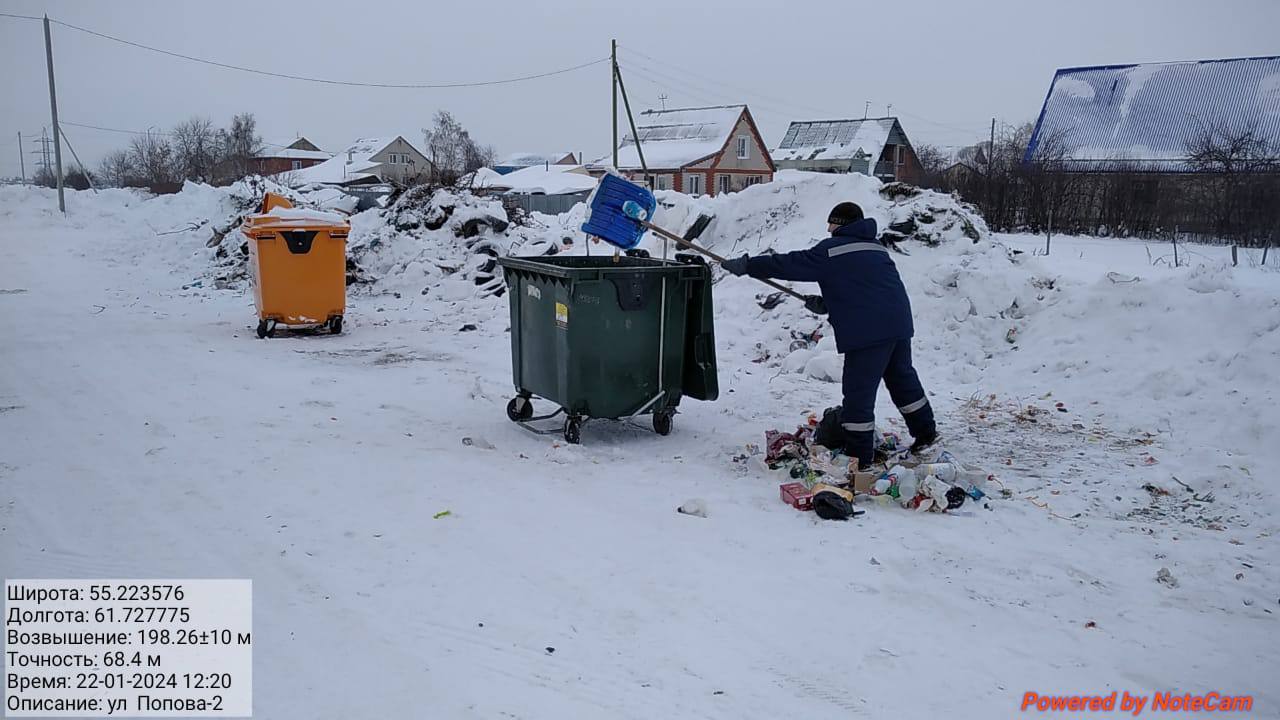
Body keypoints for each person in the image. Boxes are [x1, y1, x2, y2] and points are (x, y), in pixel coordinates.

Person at [720, 201, 937, 469]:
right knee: (902, 379)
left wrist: (749, 265)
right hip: (898, 324)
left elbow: (790, 264)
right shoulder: (875, 247)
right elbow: (864, 286)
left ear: (841, 224)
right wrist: (830, 303)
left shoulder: (832, 250)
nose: (828, 228)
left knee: (858, 393)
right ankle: (926, 433)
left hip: (869, 331)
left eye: (831, 222)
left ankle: (859, 459)